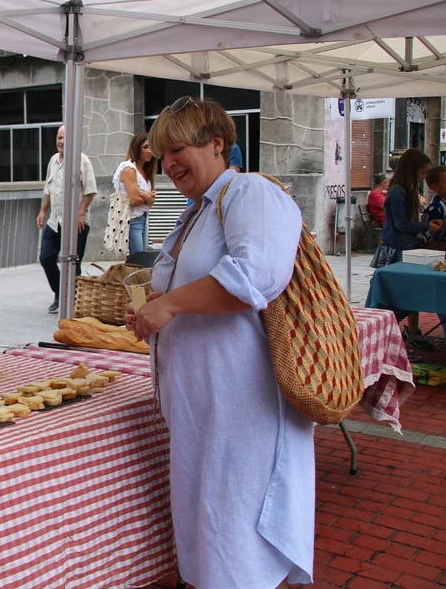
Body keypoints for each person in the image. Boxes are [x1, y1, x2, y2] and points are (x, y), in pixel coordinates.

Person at [126, 97, 311, 589]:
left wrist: (170, 305)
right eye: (162, 154)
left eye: (178, 150)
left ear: (216, 144)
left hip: (243, 408)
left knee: (235, 535)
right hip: (206, 409)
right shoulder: (196, 212)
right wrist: (154, 306)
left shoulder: (251, 192)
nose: (168, 164)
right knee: (212, 531)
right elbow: (190, 290)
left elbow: (256, 277)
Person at [37, 125, 96, 314]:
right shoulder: (53, 160)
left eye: (64, 138)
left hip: (76, 223)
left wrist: (80, 213)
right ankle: (59, 293)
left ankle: (74, 301)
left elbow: (90, 191)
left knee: (73, 264)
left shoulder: (82, 161)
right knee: (46, 258)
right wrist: (42, 211)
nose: (61, 142)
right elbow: (49, 190)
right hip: (55, 221)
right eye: (59, 137)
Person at [371, 148, 442, 269]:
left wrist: (427, 223)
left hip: (406, 244)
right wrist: (427, 226)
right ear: (410, 171)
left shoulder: (409, 189)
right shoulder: (398, 192)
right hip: (397, 245)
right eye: (422, 173)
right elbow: (401, 224)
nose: (424, 177)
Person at [111, 132, 157, 254]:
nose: (150, 151)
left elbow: (150, 202)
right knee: (138, 259)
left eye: (151, 147)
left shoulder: (145, 170)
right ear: (137, 148)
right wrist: (148, 197)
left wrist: (146, 197)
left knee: (139, 258)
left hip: (143, 218)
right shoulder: (129, 168)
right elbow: (134, 200)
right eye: (145, 147)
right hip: (132, 220)